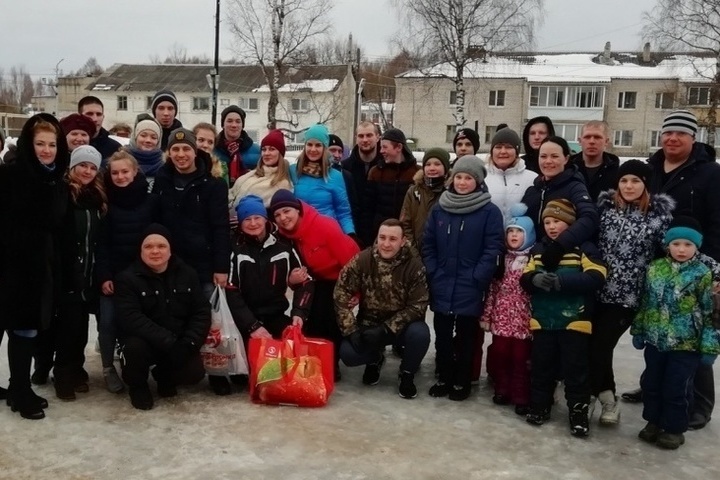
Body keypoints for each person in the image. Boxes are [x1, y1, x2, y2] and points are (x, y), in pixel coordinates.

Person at [624, 110, 720, 430]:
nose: (673, 138)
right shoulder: (651, 169)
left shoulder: (709, 174)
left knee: (692, 329)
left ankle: (700, 402)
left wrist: (712, 269)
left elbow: (718, 224)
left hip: (697, 267)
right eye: (668, 133)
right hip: (657, 266)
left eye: (680, 133)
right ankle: (657, 385)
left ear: (694, 138)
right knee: (657, 326)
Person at [591, 160, 675, 425]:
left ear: (645, 185)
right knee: (589, 345)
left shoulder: (658, 216)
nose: (629, 186)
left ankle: (607, 401)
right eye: (624, 181)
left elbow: (673, 253)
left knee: (600, 344)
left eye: (635, 181)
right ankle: (595, 394)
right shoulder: (604, 210)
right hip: (595, 289)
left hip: (628, 296)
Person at [0, 113, 69, 419]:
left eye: (51, 144)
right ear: (29, 144)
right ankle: (19, 391)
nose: (46, 150)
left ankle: (19, 388)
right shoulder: (11, 176)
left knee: (25, 328)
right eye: (39, 143)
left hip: (38, 265)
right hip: (9, 263)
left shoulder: (55, 179)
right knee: (11, 325)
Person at [520, 199, 606, 437]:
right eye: (547, 222)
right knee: (541, 367)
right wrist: (534, 280)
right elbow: (525, 278)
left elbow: (597, 275)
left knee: (575, 370)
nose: (551, 226)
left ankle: (578, 412)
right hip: (544, 320)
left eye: (557, 221)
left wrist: (563, 281)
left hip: (574, 322)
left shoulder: (583, 248)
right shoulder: (538, 249)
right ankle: (539, 405)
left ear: (570, 223)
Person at [632, 216, 719, 449]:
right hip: (655, 340)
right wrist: (639, 330)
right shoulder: (655, 269)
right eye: (676, 244)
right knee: (652, 382)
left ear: (697, 246)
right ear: (668, 244)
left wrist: (710, 347)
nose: (681, 249)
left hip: (686, 344)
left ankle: (674, 427)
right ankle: (653, 421)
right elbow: (646, 302)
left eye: (688, 245)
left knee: (677, 386)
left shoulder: (703, 274)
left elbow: (711, 313)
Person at [423, 155, 504, 401]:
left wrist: (479, 276)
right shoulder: (440, 207)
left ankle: (462, 380)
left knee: (467, 337)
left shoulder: (489, 211)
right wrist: (434, 271)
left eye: (468, 178)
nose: (462, 182)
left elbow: (493, 248)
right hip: (443, 281)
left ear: (477, 181)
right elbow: (428, 243)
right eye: (458, 176)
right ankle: (444, 377)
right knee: (443, 336)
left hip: (471, 284)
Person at [217, 195, 314, 395]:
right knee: (248, 372)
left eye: (257, 218)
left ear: (265, 219)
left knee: (294, 352)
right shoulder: (234, 247)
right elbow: (231, 291)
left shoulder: (284, 244)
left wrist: (299, 312)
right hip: (244, 320)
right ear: (240, 222)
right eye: (247, 219)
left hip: (275, 314)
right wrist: (252, 326)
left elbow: (306, 280)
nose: (253, 223)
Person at [114, 224, 210, 410]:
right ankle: (138, 386)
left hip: (178, 339)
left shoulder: (188, 273)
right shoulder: (127, 279)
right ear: (140, 250)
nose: (155, 251)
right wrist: (168, 341)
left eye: (161, 246)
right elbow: (131, 318)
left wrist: (190, 343)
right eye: (148, 247)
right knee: (134, 349)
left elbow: (201, 311)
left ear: (170, 249)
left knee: (194, 372)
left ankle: (165, 375)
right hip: (144, 341)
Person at [269, 189, 360, 380]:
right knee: (310, 313)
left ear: (298, 210)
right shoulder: (284, 237)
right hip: (316, 279)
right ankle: (314, 359)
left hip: (341, 276)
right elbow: (289, 269)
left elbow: (352, 264)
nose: (283, 218)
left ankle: (331, 363)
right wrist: (290, 281)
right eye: (277, 215)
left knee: (329, 313)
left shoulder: (325, 225)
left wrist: (357, 293)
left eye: (287, 211)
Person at [335, 219, 430, 399]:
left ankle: (407, 373)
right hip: (369, 324)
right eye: (382, 238)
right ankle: (375, 359)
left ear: (403, 242)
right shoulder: (363, 259)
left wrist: (387, 328)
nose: (386, 244)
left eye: (393, 239)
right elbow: (341, 292)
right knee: (348, 353)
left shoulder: (414, 266)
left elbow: (418, 305)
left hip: (401, 327)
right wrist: (351, 330)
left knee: (420, 333)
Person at [96, 150, 161, 393]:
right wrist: (104, 276)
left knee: (145, 321)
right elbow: (101, 244)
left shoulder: (151, 201)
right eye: (115, 173)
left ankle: (147, 365)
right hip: (114, 274)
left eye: (125, 171)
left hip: (144, 275)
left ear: (135, 172)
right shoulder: (105, 203)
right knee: (108, 321)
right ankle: (107, 368)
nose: (121, 176)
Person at [51, 145, 107, 401]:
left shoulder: (96, 196)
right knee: (67, 326)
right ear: (73, 166)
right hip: (67, 271)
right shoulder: (62, 193)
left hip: (89, 273)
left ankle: (76, 368)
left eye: (92, 167)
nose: (87, 171)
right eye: (82, 165)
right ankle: (62, 372)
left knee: (82, 326)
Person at [152, 128, 230, 298]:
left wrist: (221, 267)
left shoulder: (214, 183)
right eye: (176, 149)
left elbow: (221, 228)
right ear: (169, 153)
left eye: (186, 149)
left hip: (204, 267)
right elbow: (156, 220)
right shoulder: (162, 178)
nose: (181, 154)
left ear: (195, 151)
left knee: (205, 321)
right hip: (170, 265)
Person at [480, 204, 536, 415]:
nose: (513, 235)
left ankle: (521, 394)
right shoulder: (501, 259)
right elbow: (493, 290)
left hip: (524, 319)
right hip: (502, 317)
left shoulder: (533, 260)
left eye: (518, 232)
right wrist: (487, 315)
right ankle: (502, 388)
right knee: (501, 353)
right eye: (510, 231)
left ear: (528, 235)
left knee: (521, 358)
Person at [521, 136, 599, 272]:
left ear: (566, 159)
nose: (548, 161)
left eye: (555, 156)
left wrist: (560, 245)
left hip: (566, 261)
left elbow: (589, 217)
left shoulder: (574, 187)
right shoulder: (532, 190)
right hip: (534, 262)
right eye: (543, 156)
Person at [290, 124, 355, 235]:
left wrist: (350, 234)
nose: (313, 149)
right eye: (309, 144)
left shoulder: (335, 176)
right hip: (299, 234)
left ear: (325, 148)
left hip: (326, 233)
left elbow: (343, 212)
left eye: (318, 145)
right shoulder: (293, 171)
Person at [363, 128, 420, 246]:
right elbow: (368, 209)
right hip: (381, 237)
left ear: (398, 147)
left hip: (407, 238)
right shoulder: (375, 172)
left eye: (385, 147)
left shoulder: (417, 173)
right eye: (381, 147)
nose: (381, 151)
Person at [400, 147, 450, 257]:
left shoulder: (450, 193)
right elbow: (405, 224)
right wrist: (413, 253)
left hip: (441, 256)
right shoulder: (413, 192)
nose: (432, 168)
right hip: (414, 254)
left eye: (437, 164)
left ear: (445, 168)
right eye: (428, 164)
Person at [484, 127, 537, 221]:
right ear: (492, 151)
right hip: (489, 234)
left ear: (516, 152)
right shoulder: (482, 177)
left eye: (509, 147)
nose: (503, 151)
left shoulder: (532, 179)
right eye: (498, 147)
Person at [229, 129, 292, 207]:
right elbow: (232, 193)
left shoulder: (282, 183)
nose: (266, 153)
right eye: (264, 149)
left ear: (280, 153)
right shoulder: (251, 174)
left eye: (272, 149)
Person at [342, 121, 382, 243]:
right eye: (361, 136)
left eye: (369, 135)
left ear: (378, 137)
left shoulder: (385, 167)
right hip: (352, 233)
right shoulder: (345, 168)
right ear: (356, 138)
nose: (365, 140)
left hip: (379, 234)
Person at [570, 121, 619, 202]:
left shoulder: (617, 173)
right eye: (587, 137)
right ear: (579, 141)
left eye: (597, 137)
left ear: (606, 141)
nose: (592, 141)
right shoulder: (568, 169)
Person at [213, 105, 261, 185]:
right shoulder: (213, 149)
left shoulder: (257, 151)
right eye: (229, 121)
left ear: (242, 126)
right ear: (223, 124)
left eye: (238, 121)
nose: (234, 125)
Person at [126, 114, 164, 191]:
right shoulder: (122, 161)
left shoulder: (165, 166)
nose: (148, 140)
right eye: (143, 135)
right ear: (135, 137)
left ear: (158, 142)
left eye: (153, 137)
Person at [78, 96, 121, 161]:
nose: (95, 119)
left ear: (103, 117)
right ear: (79, 117)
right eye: (89, 114)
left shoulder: (115, 149)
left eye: (98, 114)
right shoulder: (67, 145)